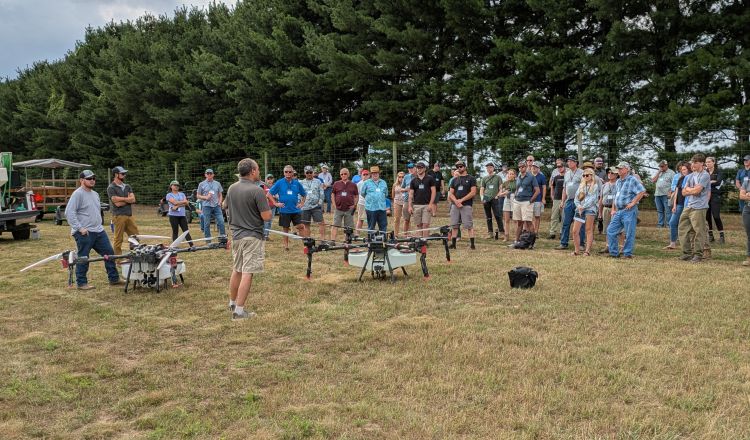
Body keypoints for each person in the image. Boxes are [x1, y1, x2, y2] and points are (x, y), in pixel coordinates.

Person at [224, 158, 272, 320]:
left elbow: (225, 206)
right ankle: (239, 311)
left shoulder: (231, 188)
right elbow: (266, 217)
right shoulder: (257, 190)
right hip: (252, 236)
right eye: (257, 169)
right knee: (247, 272)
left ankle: (232, 302)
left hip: (236, 236)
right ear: (252, 171)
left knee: (237, 269)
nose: (259, 172)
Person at [66, 170, 123, 290]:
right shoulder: (78, 194)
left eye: (93, 178)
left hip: (99, 231)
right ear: (81, 180)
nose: (92, 180)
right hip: (85, 233)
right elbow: (69, 213)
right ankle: (81, 283)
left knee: (109, 254)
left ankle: (114, 278)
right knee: (83, 257)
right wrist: (80, 228)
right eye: (89, 178)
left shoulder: (95, 194)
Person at [607, 162, 646, 259]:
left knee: (629, 233)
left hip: (629, 210)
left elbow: (642, 191)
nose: (619, 170)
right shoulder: (618, 181)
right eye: (618, 168)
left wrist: (633, 203)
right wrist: (614, 209)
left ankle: (627, 254)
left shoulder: (632, 179)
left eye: (621, 168)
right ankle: (614, 253)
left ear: (627, 169)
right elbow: (616, 197)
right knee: (610, 230)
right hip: (619, 211)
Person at [678, 154, 711, 263]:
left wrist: (690, 190)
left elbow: (697, 191)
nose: (693, 165)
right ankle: (686, 254)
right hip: (689, 206)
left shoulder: (705, 175)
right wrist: (692, 190)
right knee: (682, 229)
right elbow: (683, 192)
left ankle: (698, 255)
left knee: (699, 231)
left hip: (699, 207)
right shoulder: (691, 176)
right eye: (692, 162)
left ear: (702, 163)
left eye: (695, 162)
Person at [269, 165, 307, 251]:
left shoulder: (297, 183)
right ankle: (286, 246)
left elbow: (304, 194)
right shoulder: (279, 182)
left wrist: (302, 203)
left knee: (300, 227)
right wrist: (275, 203)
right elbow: (269, 194)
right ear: (284, 173)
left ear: (293, 173)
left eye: (290, 172)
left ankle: (305, 245)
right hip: (284, 210)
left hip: (296, 210)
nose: (288, 173)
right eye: (286, 172)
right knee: (285, 228)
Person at [107, 166, 140, 258]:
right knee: (118, 239)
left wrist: (121, 199)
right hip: (118, 216)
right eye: (122, 173)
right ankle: (118, 259)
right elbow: (116, 203)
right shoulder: (111, 187)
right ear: (116, 174)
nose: (124, 175)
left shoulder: (127, 186)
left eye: (124, 173)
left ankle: (135, 257)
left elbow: (133, 200)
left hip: (129, 215)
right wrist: (127, 199)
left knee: (135, 237)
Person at [556, 156, 584, 250]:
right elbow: (565, 188)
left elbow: (584, 187)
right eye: (568, 161)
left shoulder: (582, 173)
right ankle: (563, 243)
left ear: (576, 163)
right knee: (565, 222)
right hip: (568, 200)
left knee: (580, 223)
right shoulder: (567, 173)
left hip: (579, 201)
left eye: (571, 161)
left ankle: (581, 244)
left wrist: (582, 201)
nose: (569, 163)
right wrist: (562, 201)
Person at [448, 160, 477, 249]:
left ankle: (472, 245)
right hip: (455, 205)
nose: (459, 168)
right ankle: (453, 244)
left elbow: (473, 192)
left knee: (469, 225)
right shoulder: (454, 180)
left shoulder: (471, 178)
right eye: (457, 167)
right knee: (454, 225)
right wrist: (456, 201)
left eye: (461, 166)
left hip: (466, 205)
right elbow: (450, 193)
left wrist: (461, 200)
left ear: (465, 167)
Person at [571, 168, 600, 256]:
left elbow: (593, 199)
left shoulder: (595, 186)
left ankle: (587, 251)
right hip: (580, 209)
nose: (585, 177)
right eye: (583, 175)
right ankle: (576, 250)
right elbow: (576, 198)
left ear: (592, 176)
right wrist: (579, 206)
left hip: (590, 209)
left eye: (587, 175)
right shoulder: (581, 186)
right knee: (575, 231)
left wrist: (582, 207)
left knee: (588, 229)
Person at [512, 160, 540, 244]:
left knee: (528, 222)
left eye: (523, 166)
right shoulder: (518, 177)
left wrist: (531, 201)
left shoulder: (531, 177)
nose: (521, 168)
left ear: (526, 167)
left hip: (526, 202)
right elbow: (517, 189)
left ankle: (532, 243)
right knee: (519, 222)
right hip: (517, 201)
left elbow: (537, 191)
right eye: (519, 167)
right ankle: (516, 241)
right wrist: (515, 197)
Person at [665, 161, 689, 250]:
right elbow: (677, 192)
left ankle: (687, 244)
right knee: (672, 222)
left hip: (687, 204)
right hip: (679, 204)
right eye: (682, 169)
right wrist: (674, 205)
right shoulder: (680, 179)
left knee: (686, 224)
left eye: (684, 169)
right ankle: (672, 243)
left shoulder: (691, 178)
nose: (683, 171)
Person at [409, 161, 437, 237]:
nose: (419, 169)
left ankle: (425, 241)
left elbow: (433, 192)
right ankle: (420, 241)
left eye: (421, 167)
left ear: (424, 169)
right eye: (418, 168)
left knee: (425, 224)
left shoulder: (430, 179)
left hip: (427, 205)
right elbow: (411, 194)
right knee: (418, 225)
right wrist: (410, 206)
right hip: (416, 205)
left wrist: (431, 204)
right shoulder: (413, 181)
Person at [197, 168, 225, 243]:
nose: (209, 175)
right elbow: (198, 196)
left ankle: (222, 239)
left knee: (221, 222)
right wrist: (205, 197)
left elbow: (220, 194)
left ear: (213, 175)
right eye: (207, 173)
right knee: (207, 223)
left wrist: (220, 202)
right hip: (206, 206)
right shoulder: (201, 184)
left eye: (210, 173)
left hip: (216, 206)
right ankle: (208, 240)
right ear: (205, 175)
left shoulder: (217, 183)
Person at [331, 168, 358, 242]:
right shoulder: (336, 183)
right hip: (338, 208)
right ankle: (333, 240)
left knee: (349, 226)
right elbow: (332, 194)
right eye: (342, 174)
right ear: (340, 175)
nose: (343, 175)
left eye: (345, 173)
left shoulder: (353, 184)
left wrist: (354, 205)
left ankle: (347, 240)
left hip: (349, 209)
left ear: (348, 174)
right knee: (335, 225)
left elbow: (356, 196)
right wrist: (334, 204)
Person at [360, 165, 389, 233]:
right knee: (371, 227)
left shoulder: (384, 182)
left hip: (381, 208)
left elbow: (386, 194)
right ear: (371, 174)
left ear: (379, 173)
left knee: (383, 226)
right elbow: (362, 193)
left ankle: (383, 241)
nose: (375, 174)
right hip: (371, 208)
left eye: (376, 173)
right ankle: (371, 242)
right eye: (373, 173)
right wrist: (370, 199)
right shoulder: (366, 183)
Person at [165, 180, 193, 246]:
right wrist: (182, 202)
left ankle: (192, 245)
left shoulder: (182, 194)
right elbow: (174, 202)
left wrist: (177, 205)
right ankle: (174, 246)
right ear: (171, 186)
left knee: (186, 231)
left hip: (182, 215)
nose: (176, 186)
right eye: (174, 185)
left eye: (177, 185)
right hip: (173, 215)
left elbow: (186, 203)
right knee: (175, 231)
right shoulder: (169, 195)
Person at [300, 165, 326, 239]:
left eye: (310, 172)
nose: (309, 174)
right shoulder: (301, 183)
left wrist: (319, 203)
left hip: (316, 206)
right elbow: (299, 194)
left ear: (313, 172)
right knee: (306, 224)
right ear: (305, 173)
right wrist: (300, 203)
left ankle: (323, 239)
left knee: (321, 223)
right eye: (307, 172)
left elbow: (321, 193)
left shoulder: (318, 181)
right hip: (305, 207)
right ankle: (308, 240)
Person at [598, 166, 618, 253]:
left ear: (617, 174)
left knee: (617, 229)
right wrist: (599, 212)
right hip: (606, 208)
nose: (610, 174)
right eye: (608, 173)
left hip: (616, 209)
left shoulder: (619, 184)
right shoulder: (604, 185)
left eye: (612, 173)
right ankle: (608, 246)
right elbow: (601, 199)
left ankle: (617, 246)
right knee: (606, 229)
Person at [480, 162, 503, 239]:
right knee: (488, 216)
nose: (489, 169)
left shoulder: (498, 177)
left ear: (493, 168)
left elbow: (501, 188)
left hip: (495, 198)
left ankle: (502, 232)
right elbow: (482, 189)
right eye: (487, 167)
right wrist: (482, 197)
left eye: (490, 167)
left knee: (497, 215)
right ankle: (490, 233)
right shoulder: (484, 178)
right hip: (486, 198)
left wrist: (498, 195)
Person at [705, 156, 725, 244]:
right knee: (707, 216)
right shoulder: (704, 172)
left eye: (709, 162)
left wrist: (708, 182)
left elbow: (718, 182)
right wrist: (711, 182)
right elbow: (701, 182)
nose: (708, 163)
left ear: (714, 162)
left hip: (715, 196)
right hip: (705, 196)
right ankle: (710, 236)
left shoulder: (719, 171)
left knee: (716, 215)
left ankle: (721, 236)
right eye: (706, 162)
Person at [651, 160, 675, 228]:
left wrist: (671, 192)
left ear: (666, 165)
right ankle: (660, 224)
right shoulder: (659, 172)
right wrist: (658, 172)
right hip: (657, 194)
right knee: (659, 211)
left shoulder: (671, 173)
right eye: (660, 166)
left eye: (662, 166)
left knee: (668, 211)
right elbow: (653, 181)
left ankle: (668, 225)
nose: (661, 168)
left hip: (666, 195)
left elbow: (674, 184)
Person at [548, 158, 565, 239]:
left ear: (564, 167)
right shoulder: (556, 177)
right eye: (558, 167)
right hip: (556, 198)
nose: (559, 168)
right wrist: (552, 194)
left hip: (564, 199)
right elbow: (552, 186)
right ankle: (552, 233)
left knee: (563, 217)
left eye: (561, 166)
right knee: (554, 216)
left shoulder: (568, 176)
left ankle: (562, 232)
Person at [499, 169, 516, 241]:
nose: (510, 175)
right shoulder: (504, 183)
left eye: (512, 174)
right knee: (506, 219)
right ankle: (506, 236)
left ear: (515, 175)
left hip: (514, 199)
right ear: (507, 175)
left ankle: (517, 236)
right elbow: (500, 194)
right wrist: (504, 193)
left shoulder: (517, 182)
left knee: (515, 219)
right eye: (509, 174)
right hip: (506, 199)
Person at [530, 161, 547, 233]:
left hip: (538, 199)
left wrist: (543, 198)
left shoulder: (541, 176)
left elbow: (544, 188)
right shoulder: (528, 175)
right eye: (533, 166)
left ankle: (536, 231)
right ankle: (531, 230)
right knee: (529, 217)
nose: (533, 168)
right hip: (529, 199)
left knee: (537, 216)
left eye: (535, 167)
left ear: (538, 168)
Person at [401, 163, 416, 236]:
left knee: (418, 221)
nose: (410, 169)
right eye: (409, 168)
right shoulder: (406, 177)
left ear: (415, 168)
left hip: (417, 200)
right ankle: (405, 236)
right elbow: (401, 188)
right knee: (406, 219)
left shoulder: (419, 176)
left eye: (412, 168)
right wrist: (405, 189)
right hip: (407, 200)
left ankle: (419, 237)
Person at [738, 173, 750, 266]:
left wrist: (748, 194)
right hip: (747, 209)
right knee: (749, 235)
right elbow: (741, 196)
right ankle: (749, 259)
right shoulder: (746, 182)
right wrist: (746, 194)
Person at [392, 171, 407, 236]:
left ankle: (406, 234)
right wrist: (394, 202)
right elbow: (393, 195)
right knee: (396, 219)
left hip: (405, 202)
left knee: (406, 219)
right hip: (397, 202)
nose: (401, 178)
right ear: (397, 178)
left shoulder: (407, 184)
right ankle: (396, 234)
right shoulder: (395, 185)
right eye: (399, 177)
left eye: (403, 177)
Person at [263, 174, 276, 240]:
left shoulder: (275, 186)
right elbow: (261, 195)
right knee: (266, 221)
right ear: (266, 180)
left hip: (273, 207)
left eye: (271, 179)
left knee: (270, 221)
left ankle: (267, 235)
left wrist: (274, 197)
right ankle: (264, 235)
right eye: (268, 179)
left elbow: (277, 196)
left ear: (273, 180)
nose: (270, 180)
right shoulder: (263, 186)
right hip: (265, 207)